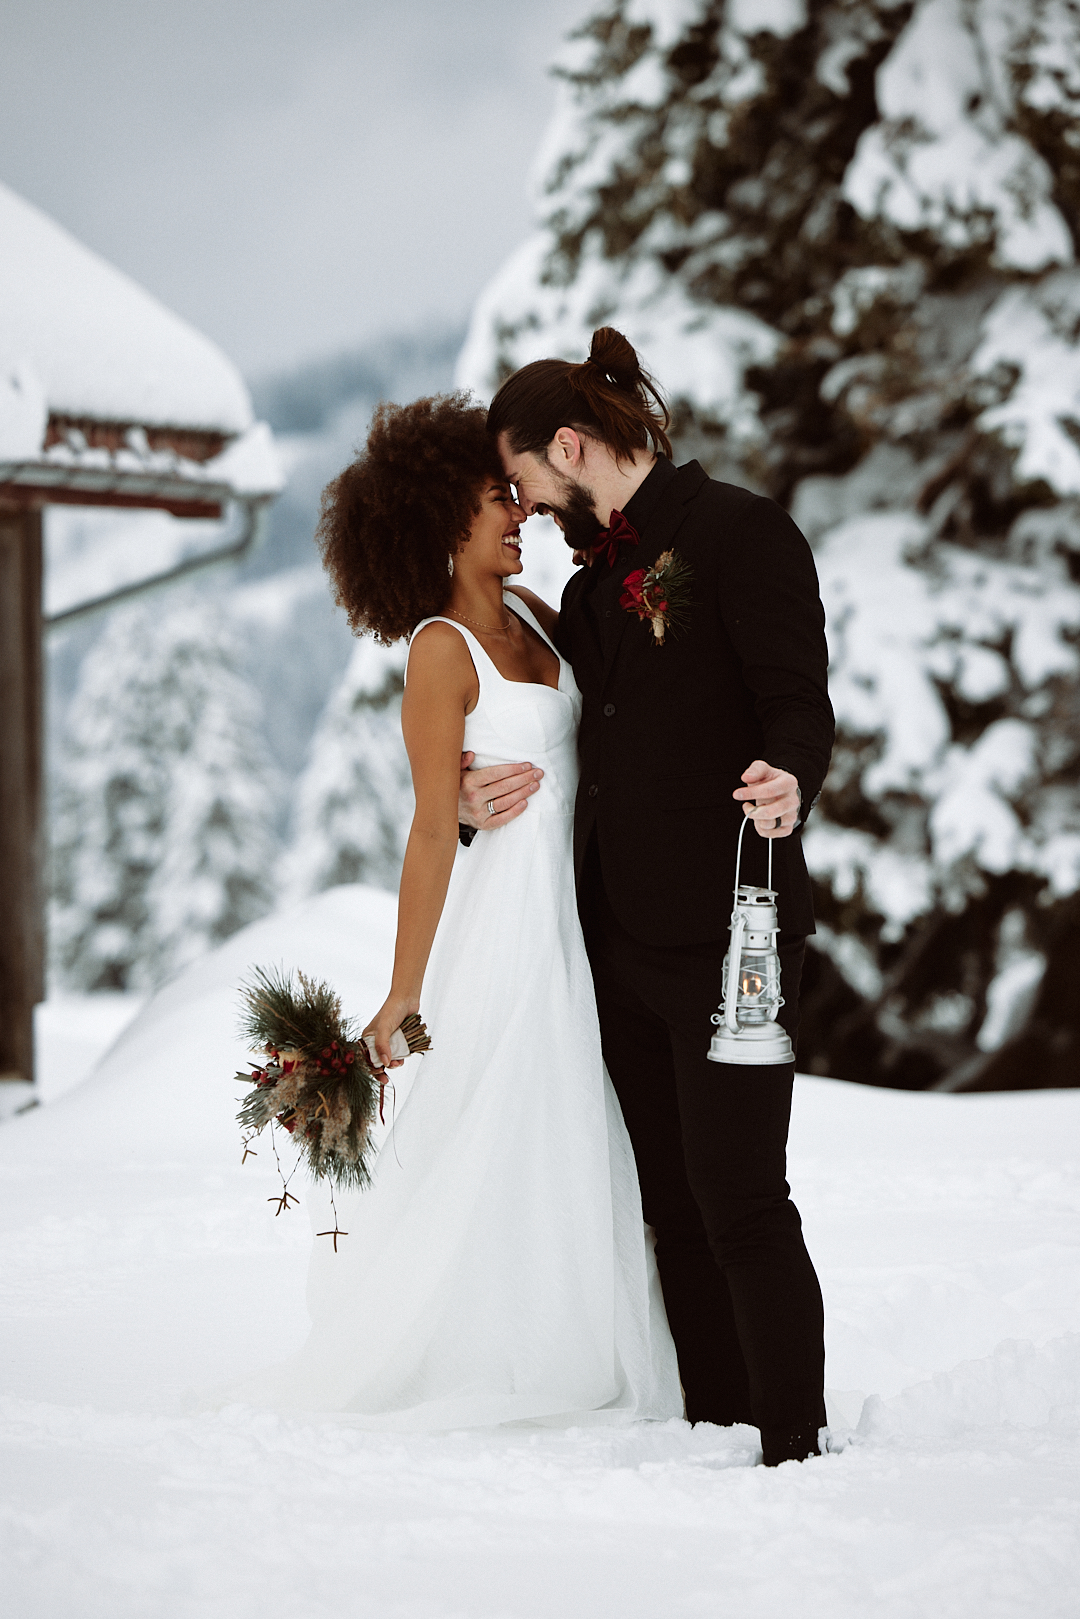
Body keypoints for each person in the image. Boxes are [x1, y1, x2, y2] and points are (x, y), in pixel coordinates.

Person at [229, 392, 681, 1428]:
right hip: (512, 925)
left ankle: (588, 1328)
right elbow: (434, 826)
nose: (518, 510)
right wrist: (402, 990)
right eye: (495, 500)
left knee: (578, 1132)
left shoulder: (536, 614)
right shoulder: (440, 649)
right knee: (518, 1124)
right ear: (442, 523)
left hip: (583, 909)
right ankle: (513, 1351)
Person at [457, 328, 835, 1466]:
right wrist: (474, 796)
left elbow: (797, 701)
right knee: (668, 1202)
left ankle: (793, 1443)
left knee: (740, 1195)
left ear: (571, 445)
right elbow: (564, 739)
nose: (525, 505)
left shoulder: (743, 534)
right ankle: (716, 1427)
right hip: (615, 938)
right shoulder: (585, 591)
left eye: (526, 479)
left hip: (739, 935)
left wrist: (790, 776)